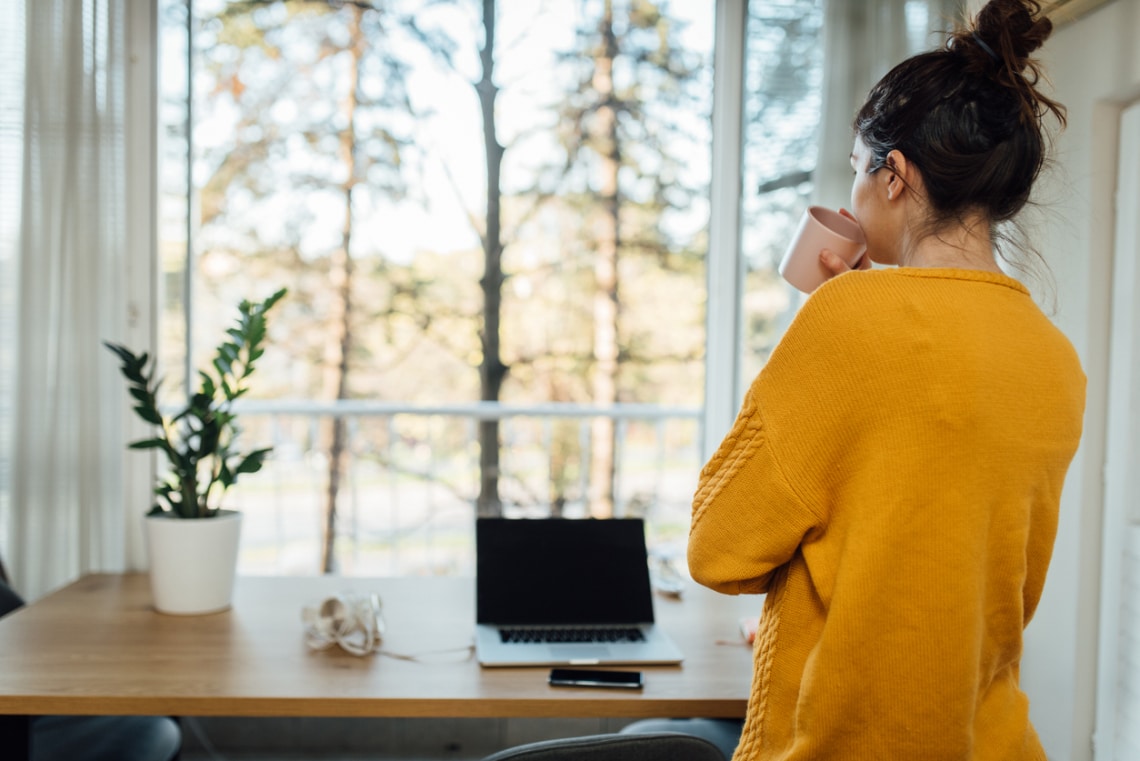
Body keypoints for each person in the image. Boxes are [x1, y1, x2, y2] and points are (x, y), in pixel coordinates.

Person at [682, 0, 1085, 759]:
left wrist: (829, 318)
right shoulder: (1053, 356)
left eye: (854, 168)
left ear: (893, 174)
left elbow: (717, 548)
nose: (852, 194)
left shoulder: (846, 323)